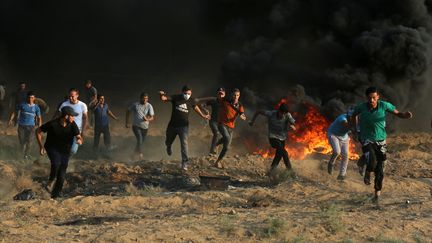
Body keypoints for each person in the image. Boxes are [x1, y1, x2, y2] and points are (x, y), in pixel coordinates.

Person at [351, 86, 412, 202]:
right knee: (373, 161)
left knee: (380, 168)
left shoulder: (384, 105)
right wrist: (355, 130)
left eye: (374, 98)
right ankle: (367, 172)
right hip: (366, 139)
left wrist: (405, 116)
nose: (372, 101)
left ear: (378, 97)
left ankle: (377, 194)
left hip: (381, 140)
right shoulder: (361, 108)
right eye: (369, 98)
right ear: (366, 98)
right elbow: (353, 115)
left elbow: (397, 113)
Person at [159, 85, 210, 170]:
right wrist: (161, 95)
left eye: (189, 93)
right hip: (172, 125)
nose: (187, 95)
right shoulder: (176, 97)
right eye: (185, 93)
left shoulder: (191, 100)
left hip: (183, 126)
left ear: (191, 93)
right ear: (182, 92)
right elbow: (164, 99)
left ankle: (184, 163)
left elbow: (195, 107)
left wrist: (203, 115)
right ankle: (168, 146)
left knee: (184, 143)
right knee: (168, 140)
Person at [36, 106, 82, 199]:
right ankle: (51, 180)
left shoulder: (72, 124)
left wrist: (79, 140)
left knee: (61, 175)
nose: (73, 118)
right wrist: (41, 146)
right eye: (72, 116)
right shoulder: (53, 124)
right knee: (56, 163)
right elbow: (38, 131)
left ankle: (54, 196)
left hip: (65, 151)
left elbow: (78, 136)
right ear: (66, 116)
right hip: (52, 148)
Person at [249, 103, 296, 175]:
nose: (283, 115)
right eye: (282, 113)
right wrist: (252, 121)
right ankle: (289, 171)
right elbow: (258, 111)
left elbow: (292, 122)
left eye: (284, 113)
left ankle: (274, 171)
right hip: (273, 137)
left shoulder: (287, 115)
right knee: (283, 151)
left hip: (282, 138)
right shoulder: (271, 114)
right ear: (279, 111)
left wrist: (292, 125)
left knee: (281, 154)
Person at [214, 88, 246, 168]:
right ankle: (217, 144)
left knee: (227, 147)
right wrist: (220, 94)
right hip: (222, 124)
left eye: (237, 95)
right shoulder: (225, 101)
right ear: (232, 95)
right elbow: (218, 98)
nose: (236, 97)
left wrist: (242, 115)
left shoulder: (240, 105)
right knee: (227, 138)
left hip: (231, 127)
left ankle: (218, 161)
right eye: (234, 95)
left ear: (239, 96)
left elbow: (241, 113)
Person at [8, 91, 42, 159]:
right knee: (22, 141)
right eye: (29, 97)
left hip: (31, 126)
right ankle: (21, 152)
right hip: (22, 126)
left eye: (32, 98)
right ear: (27, 97)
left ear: (34, 98)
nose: (30, 99)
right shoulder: (22, 104)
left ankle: (26, 155)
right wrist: (10, 120)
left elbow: (39, 117)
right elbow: (15, 112)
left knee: (29, 141)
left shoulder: (36, 107)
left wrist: (40, 127)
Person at [57, 88, 88, 155]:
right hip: (65, 130)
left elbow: (85, 119)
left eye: (72, 96)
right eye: (69, 96)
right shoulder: (64, 104)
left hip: (76, 131)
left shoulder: (82, 105)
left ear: (77, 95)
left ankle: (66, 157)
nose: (70, 98)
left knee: (73, 150)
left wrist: (83, 131)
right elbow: (59, 116)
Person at [196, 87, 226, 156]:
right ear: (217, 94)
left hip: (222, 122)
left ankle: (216, 149)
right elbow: (201, 105)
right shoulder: (214, 100)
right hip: (213, 121)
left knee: (225, 135)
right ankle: (212, 151)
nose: (220, 95)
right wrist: (205, 110)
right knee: (217, 133)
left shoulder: (226, 102)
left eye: (222, 94)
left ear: (224, 94)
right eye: (219, 93)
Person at [326, 109, 354, 181]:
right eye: (350, 116)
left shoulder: (356, 121)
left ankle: (342, 175)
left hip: (344, 137)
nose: (351, 118)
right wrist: (355, 128)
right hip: (333, 134)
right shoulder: (342, 118)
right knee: (337, 151)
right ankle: (331, 163)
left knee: (346, 155)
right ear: (347, 115)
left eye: (353, 116)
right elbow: (346, 125)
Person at [125, 92, 154, 159]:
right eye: (143, 98)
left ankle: (133, 155)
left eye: (146, 99)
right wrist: (127, 122)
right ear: (140, 98)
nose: (145, 100)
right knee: (140, 140)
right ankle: (140, 155)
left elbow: (152, 117)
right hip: (136, 126)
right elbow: (128, 111)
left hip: (145, 127)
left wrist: (147, 119)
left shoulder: (149, 106)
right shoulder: (135, 105)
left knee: (140, 143)